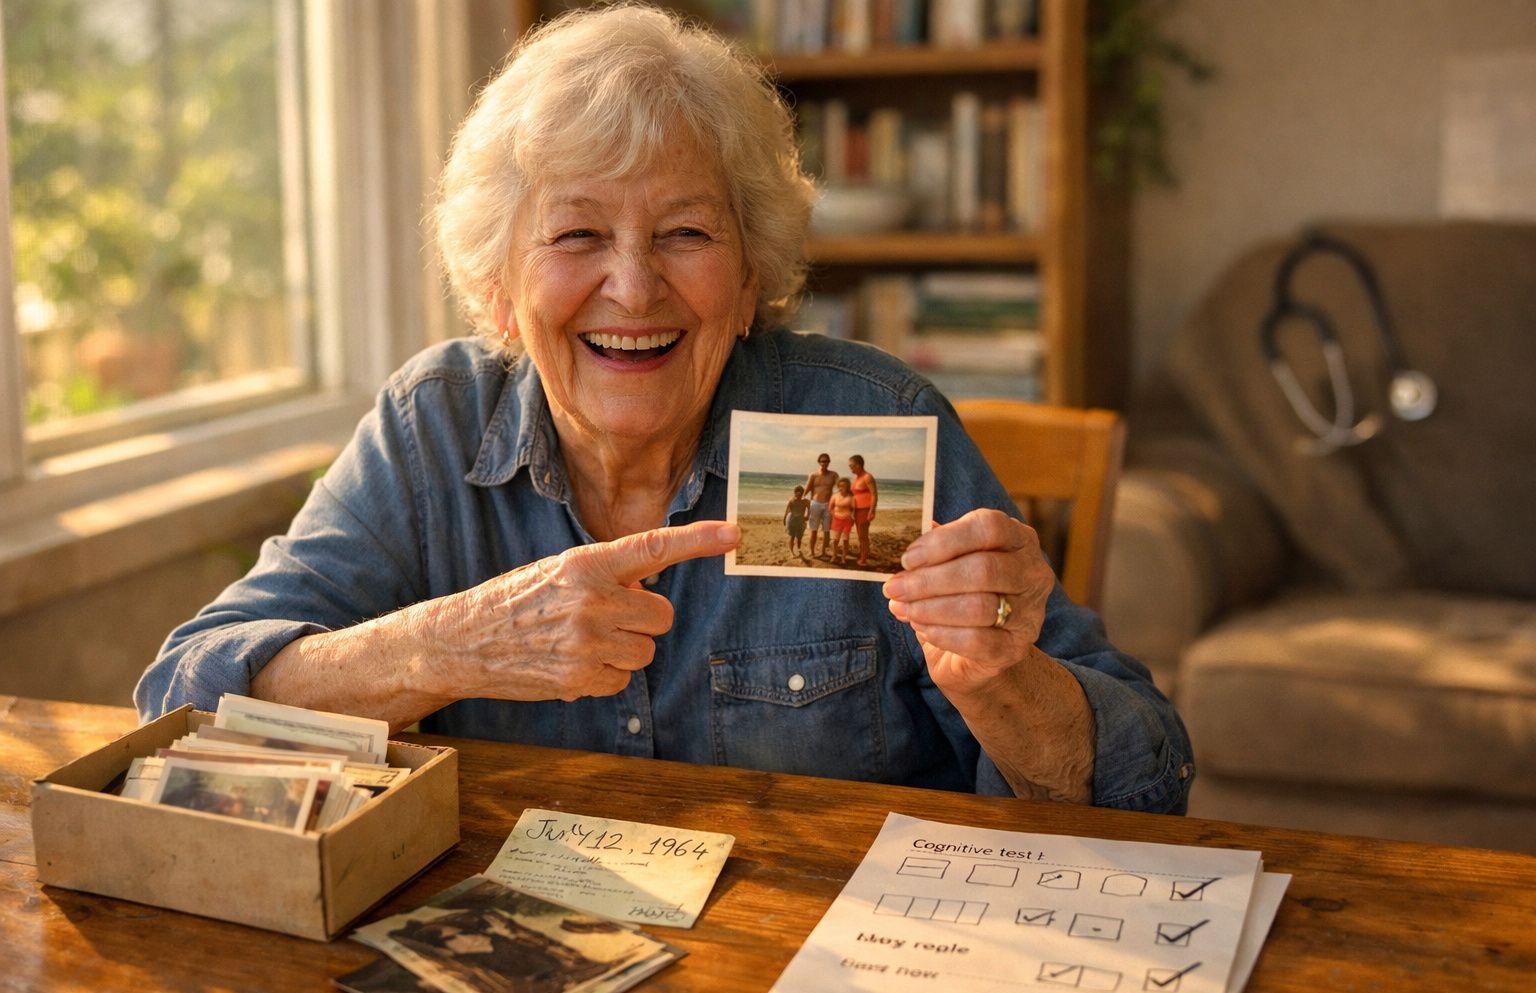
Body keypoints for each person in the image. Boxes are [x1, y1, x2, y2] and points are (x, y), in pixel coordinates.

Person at [135, 3, 1193, 812]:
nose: (633, 290)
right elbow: (178, 705)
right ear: (499, 289)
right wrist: (452, 645)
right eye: (577, 235)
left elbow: (1148, 783)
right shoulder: (434, 429)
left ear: (749, 281)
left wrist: (999, 679)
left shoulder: (867, 429)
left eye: (685, 233)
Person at [803, 453, 838, 559]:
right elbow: (807, 489)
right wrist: (801, 501)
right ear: (819, 462)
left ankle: (824, 552)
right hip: (815, 504)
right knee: (813, 530)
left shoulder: (833, 475)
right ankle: (812, 551)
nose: (824, 463)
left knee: (826, 530)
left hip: (828, 505)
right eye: (822, 461)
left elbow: (841, 487)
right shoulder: (813, 475)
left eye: (826, 461)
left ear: (829, 462)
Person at [847, 454, 878, 567]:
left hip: (864, 510)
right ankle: (862, 554)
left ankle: (863, 559)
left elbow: (874, 494)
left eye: (851, 466)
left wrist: (872, 511)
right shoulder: (856, 478)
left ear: (858, 465)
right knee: (859, 535)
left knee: (863, 536)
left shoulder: (867, 477)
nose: (850, 468)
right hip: (855, 510)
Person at [828, 478, 856, 565]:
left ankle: (843, 558)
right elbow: (830, 508)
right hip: (836, 520)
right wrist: (834, 515)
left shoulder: (851, 497)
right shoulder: (834, 496)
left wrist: (852, 517)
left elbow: (854, 509)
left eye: (843, 486)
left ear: (847, 487)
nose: (841, 487)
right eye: (840, 486)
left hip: (847, 521)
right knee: (835, 540)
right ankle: (834, 556)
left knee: (845, 540)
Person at [784, 485, 810, 557]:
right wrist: (784, 519)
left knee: (799, 537)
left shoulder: (805, 501)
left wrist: (807, 516)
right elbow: (787, 511)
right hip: (791, 520)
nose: (798, 495)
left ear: (802, 493)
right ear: (794, 493)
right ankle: (792, 552)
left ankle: (798, 549)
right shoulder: (792, 500)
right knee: (792, 536)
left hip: (800, 521)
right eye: (797, 493)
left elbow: (809, 508)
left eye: (800, 493)